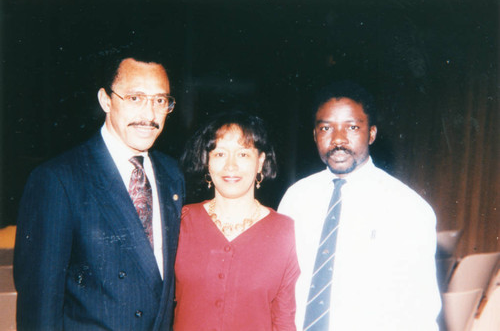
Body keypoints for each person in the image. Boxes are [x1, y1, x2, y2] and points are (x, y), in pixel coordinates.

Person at [14, 51, 184, 330]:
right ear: (106, 100)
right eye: (135, 98)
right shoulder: (58, 180)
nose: (149, 115)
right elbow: (39, 306)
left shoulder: (172, 174)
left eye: (160, 100)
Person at [278, 81, 441, 331]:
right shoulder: (296, 198)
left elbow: (421, 311)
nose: (338, 139)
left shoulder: (407, 208)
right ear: (314, 135)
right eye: (326, 128)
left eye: (352, 127)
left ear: (372, 133)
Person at [174, 111, 300, 331]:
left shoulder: (284, 231)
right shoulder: (181, 220)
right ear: (207, 161)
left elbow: (283, 319)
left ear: (260, 162)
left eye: (243, 154)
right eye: (220, 154)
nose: (230, 166)